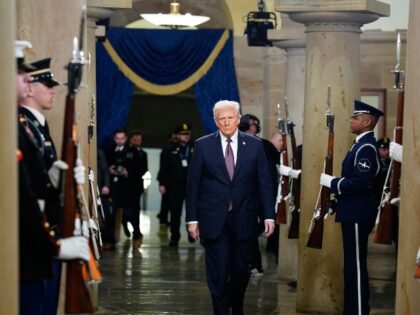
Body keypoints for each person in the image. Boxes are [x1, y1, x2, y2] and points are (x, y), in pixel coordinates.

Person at [15, 40, 89, 315]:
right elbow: (25, 194)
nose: (53, 91)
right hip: (34, 237)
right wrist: (55, 242)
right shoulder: (21, 125)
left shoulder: (32, 126)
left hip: (44, 231)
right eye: (47, 85)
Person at [186, 100, 275, 315]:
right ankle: (221, 310)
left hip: (245, 217)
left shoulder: (254, 145)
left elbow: (263, 182)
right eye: (221, 119)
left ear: (238, 118)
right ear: (216, 121)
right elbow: (193, 184)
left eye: (230, 118)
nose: (226, 122)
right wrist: (192, 219)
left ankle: (236, 305)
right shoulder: (203, 145)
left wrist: (268, 216)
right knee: (217, 271)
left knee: (241, 271)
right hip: (213, 219)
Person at [319, 100, 383, 315]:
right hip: (351, 210)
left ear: (366, 122)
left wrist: (333, 183)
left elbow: (360, 182)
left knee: (355, 266)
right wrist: (336, 203)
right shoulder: (359, 144)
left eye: (355, 118)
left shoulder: (366, 147)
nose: (351, 120)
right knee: (351, 266)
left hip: (358, 213)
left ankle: (357, 311)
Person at [238, 114, 279, 276]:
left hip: (264, 192)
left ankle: (268, 260)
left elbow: (277, 163)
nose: (253, 126)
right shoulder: (237, 143)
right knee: (247, 231)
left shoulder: (264, 145)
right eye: (250, 124)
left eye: (254, 124)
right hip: (246, 193)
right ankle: (253, 264)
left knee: (267, 224)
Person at [158, 123, 195, 247]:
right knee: (175, 213)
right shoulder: (169, 149)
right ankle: (175, 237)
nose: (186, 137)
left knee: (192, 212)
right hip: (174, 186)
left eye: (188, 134)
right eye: (183, 134)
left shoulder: (195, 148)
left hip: (191, 186)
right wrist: (162, 184)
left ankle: (191, 233)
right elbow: (164, 168)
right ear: (177, 135)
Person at [119, 131, 148, 251]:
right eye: (135, 140)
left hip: (136, 186)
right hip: (125, 186)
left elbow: (144, 169)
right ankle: (126, 224)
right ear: (130, 140)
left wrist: (130, 173)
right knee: (127, 211)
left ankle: (137, 233)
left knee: (135, 211)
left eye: (139, 140)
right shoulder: (125, 151)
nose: (137, 142)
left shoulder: (143, 153)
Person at [106, 128, 129, 242]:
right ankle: (113, 239)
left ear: (126, 139)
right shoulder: (109, 150)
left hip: (125, 188)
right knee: (111, 214)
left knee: (124, 214)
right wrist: (110, 170)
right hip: (112, 187)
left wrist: (126, 172)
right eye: (117, 138)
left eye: (122, 138)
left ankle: (119, 236)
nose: (120, 141)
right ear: (114, 139)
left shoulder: (130, 151)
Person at [156, 132, 178, 225]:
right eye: (173, 138)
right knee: (166, 201)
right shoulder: (168, 149)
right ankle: (163, 217)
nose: (175, 139)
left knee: (167, 201)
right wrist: (162, 182)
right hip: (167, 179)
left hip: (170, 179)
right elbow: (163, 166)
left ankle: (163, 217)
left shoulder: (172, 148)